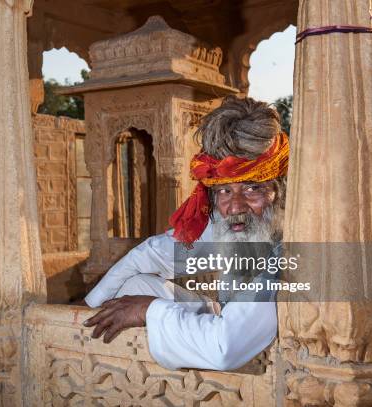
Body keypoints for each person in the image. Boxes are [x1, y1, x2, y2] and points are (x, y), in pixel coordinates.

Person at [82, 95, 289, 371]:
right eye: (225, 190)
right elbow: (153, 254)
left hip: (262, 360)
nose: (235, 206)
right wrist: (89, 308)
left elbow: (223, 349)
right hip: (230, 322)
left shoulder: (283, 248)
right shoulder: (236, 223)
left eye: (253, 188)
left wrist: (148, 309)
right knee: (134, 287)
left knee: (143, 304)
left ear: (278, 190)